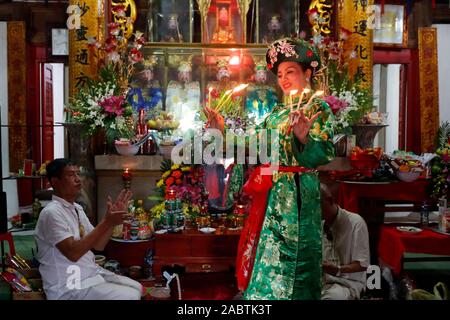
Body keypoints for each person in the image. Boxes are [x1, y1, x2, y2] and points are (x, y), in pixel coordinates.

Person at [204, 38, 335, 299]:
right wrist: (223, 134)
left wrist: (304, 138)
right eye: (280, 74)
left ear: (307, 73)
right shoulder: (276, 113)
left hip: (299, 194)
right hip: (274, 194)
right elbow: (254, 144)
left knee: (297, 260)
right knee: (268, 254)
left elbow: (324, 154)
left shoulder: (318, 108)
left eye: (291, 72)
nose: (284, 79)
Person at [35, 158, 144, 300]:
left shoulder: (77, 209)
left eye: (77, 174)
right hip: (69, 286)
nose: (77, 179)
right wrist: (106, 222)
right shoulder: (51, 213)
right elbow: (73, 253)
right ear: (55, 182)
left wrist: (111, 222)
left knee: (138, 287)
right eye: (71, 175)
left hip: (89, 275)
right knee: (132, 295)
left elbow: (99, 245)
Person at [320, 183, 370, 300]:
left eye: (319, 206)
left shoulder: (355, 222)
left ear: (330, 200)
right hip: (322, 281)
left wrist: (337, 269)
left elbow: (362, 264)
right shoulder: (318, 223)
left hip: (347, 283)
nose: (315, 212)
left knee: (332, 298)